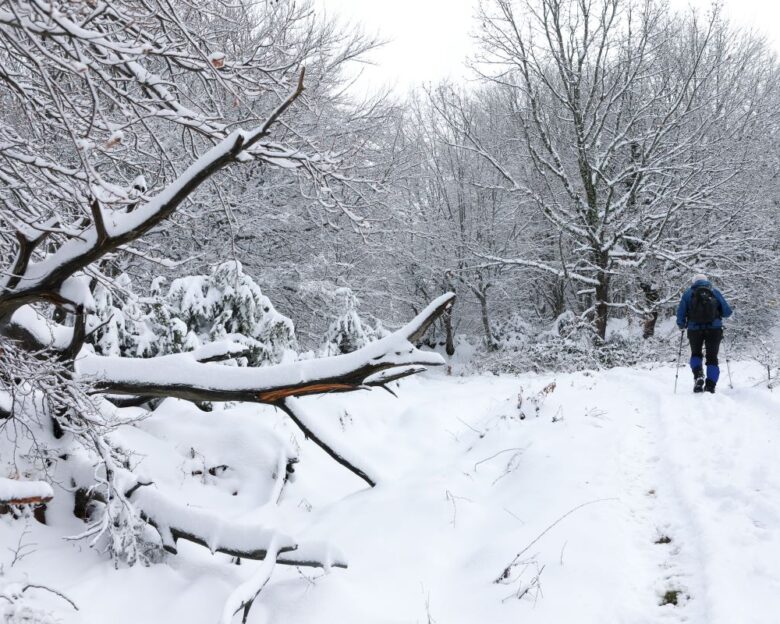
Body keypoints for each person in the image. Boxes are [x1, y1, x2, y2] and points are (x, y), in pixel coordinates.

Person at [676, 273, 733, 393]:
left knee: (696, 354)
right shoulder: (714, 292)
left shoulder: (688, 294)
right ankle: (710, 386)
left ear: (694, 282)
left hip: (694, 329)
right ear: (706, 281)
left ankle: (698, 375)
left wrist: (681, 325)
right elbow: (727, 312)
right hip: (714, 329)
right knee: (712, 358)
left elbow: (680, 313)